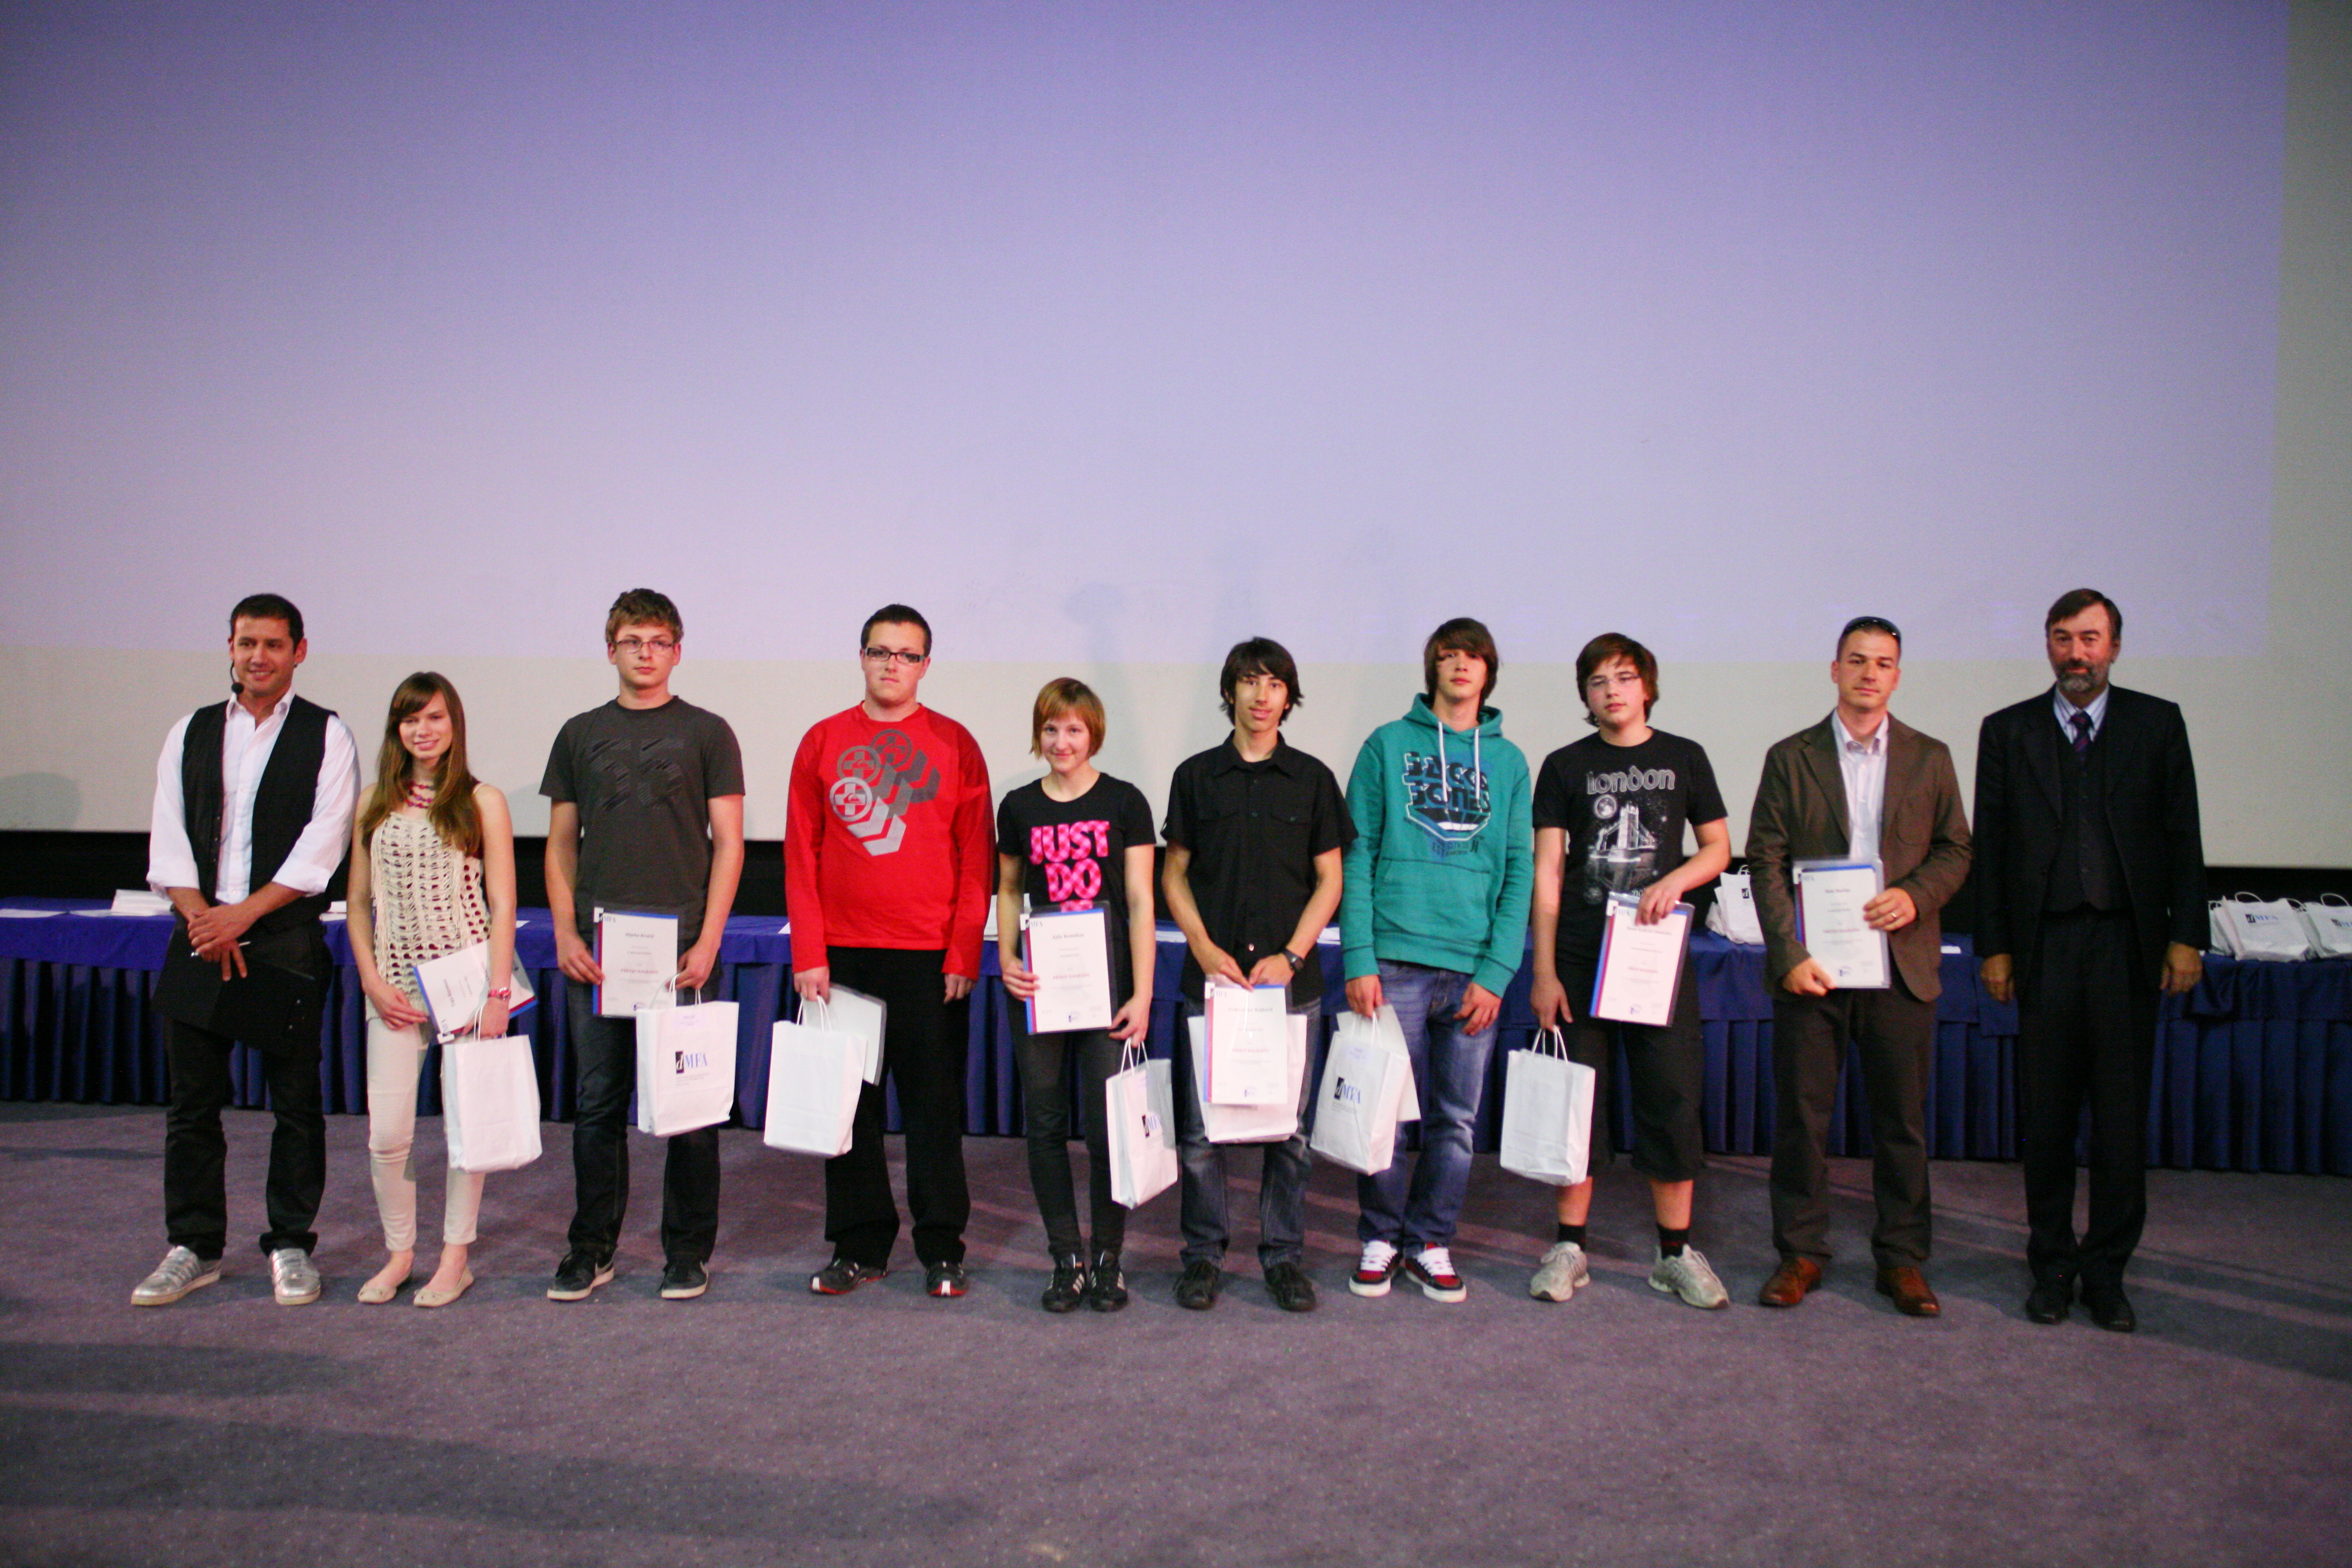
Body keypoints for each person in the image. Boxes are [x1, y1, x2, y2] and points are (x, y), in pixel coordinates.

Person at [1973, 589, 2205, 1334]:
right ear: (2048, 644)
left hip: (2127, 948)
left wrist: (2186, 935)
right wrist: (1995, 945)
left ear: (2115, 646)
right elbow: (1992, 850)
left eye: (2091, 638)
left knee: (2120, 1121)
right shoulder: (2007, 730)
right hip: (2043, 949)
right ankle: (2051, 1264)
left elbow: (2183, 835)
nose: (2077, 653)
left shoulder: (2157, 723)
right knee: (2045, 1121)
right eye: (2064, 638)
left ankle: (2107, 1272)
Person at [133, 593, 359, 1308]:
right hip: (200, 937)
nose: (258, 656)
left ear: (299, 651)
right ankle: (193, 1246)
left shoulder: (328, 734)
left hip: (283, 941)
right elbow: (169, 837)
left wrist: (243, 916)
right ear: (230, 648)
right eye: (246, 643)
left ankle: (291, 1243)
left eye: (273, 644)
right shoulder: (191, 731)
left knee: (295, 1103)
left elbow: (322, 846)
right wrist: (206, 920)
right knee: (192, 1105)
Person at [1746, 616, 1971, 1317]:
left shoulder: (1930, 757)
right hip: (1813, 968)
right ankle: (1801, 1252)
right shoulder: (1791, 756)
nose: (1870, 673)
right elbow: (1765, 858)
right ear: (1835, 669)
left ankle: (1902, 1259)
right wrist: (1788, 952)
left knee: (1901, 1123)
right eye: (1857, 660)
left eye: (1883, 662)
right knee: (1802, 1119)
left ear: (1897, 675)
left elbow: (1956, 849)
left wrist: (1916, 895)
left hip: (1900, 967)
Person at [541, 589, 746, 1302]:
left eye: (659, 641)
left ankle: (687, 1252)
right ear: (611, 650)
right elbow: (560, 844)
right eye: (632, 641)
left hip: (683, 949)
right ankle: (591, 1249)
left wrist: (710, 938)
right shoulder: (579, 733)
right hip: (599, 952)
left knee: (689, 1108)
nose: (646, 653)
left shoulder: (709, 732)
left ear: (677, 651)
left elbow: (730, 844)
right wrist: (565, 930)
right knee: (598, 1104)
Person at [788, 605, 993, 1298]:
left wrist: (963, 950)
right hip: (842, 955)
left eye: (906, 655)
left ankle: (942, 1248)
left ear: (926, 665)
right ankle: (859, 1244)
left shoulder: (955, 743)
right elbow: (801, 854)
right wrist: (809, 950)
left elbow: (976, 857)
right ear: (862, 657)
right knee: (850, 1108)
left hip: (929, 958)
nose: (892, 665)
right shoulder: (822, 740)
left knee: (934, 1110)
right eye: (880, 651)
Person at [1525, 634, 1732, 1310]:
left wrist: (1675, 881)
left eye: (1623, 677)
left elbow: (1718, 847)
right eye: (1597, 681)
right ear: (1585, 695)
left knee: (1671, 1098)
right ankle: (1569, 1246)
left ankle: (1674, 1254)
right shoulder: (1564, 765)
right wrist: (1544, 970)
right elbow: (1549, 871)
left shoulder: (1684, 755)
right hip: (1580, 957)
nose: (1611, 690)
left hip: (1653, 958)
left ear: (1647, 686)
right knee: (1577, 1105)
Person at [1341, 617, 1532, 1304]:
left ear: (1488, 670)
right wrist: (1358, 956)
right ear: (1432, 669)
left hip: (1473, 968)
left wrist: (1498, 972)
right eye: (1447, 655)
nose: (1460, 665)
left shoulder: (1509, 763)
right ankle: (1381, 1237)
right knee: (1385, 1112)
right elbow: (1357, 853)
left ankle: (1430, 1240)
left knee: (1455, 1120)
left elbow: (1520, 869)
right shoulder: (1386, 745)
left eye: (1472, 655)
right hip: (1394, 959)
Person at [1161, 637, 1353, 1312]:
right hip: (1212, 983)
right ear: (1230, 691)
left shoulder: (1313, 778)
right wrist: (1203, 946)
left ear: (1289, 698)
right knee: (1199, 1133)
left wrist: (1293, 954)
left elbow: (1331, 879)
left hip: (1288, 987)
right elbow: (1174, 873)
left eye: (1274, 683)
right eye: (1249, 680)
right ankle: (1203, 1255)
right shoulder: (1195, 776)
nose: (1261, 694)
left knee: (1290, 1134)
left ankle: (1283, 1256)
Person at [344, 673, 519, 1308]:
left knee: (465, 1129)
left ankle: (454, 1257)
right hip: (392, 988)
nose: (424, 730)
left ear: (454, 724)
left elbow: (503, 903)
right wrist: (371, 979)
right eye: (411, 719)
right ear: (397, 729)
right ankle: (400, 1253)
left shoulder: (481, 800)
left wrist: (497, 992)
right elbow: (357, 902)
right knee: (387, 1134)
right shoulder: (373, 801)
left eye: (436, 717)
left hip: (466, 985)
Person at [995, 678, 1158, 1312]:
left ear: (1093, 734)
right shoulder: (1018, 806)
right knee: (1043, 1124)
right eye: (1051, 728)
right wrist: (1006, 956)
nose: (1061, 741)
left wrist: (1143, 992)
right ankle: (1066, 1257)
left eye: (1073, 729)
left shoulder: (1125, 800)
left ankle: (1108, 1258)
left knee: (1106, 1128)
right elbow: (1010, 888)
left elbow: (1141, 901)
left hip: (1108, 991)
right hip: (1040, 987)